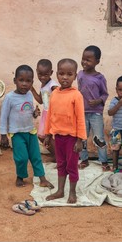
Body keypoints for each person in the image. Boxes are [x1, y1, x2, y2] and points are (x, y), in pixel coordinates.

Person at [0, 64, 54, 189]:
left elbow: (28, 111)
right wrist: (3, 134)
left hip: (30, 132)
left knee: (36, 156)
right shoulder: (9, 98)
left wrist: (34, 113)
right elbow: (3, 116)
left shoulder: (29, 95)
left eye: (28, 81)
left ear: (32, 82)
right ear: (15, 81)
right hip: (17, 133)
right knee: (21, 158)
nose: (24, 84)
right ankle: (20, 176)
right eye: (21, 80)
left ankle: (42, 178)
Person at [44, 58, 86, 204]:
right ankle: (60, 191)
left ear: (75, 76)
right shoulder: (55, 94)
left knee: (71, 165)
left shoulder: (76, 95)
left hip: (72, 139)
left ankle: (72, 192)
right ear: (56, 74)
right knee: (61, 164)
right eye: (61, 74)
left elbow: (80, 118)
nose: (65, 77)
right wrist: (48, 134)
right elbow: (50, 115)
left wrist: (80, 140)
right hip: (58, 138)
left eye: (69, 74)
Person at [77, 45, 110, 171]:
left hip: (95, 113)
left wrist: (98, 101)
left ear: (97, 62)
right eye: (83, 59)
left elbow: (105, 94)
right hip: (82, 112)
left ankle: (104, 161)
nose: (84, 62)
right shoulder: (79, 75)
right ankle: (84, 159)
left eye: (88, 60)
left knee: (99, 138)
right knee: (82, 137)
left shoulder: (100, 78)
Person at [30, 59, 59, 159]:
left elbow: (59, 93)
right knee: (42, 136)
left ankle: (58, 156)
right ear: (36, 72)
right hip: (45, 114)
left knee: (47, 135)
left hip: (52, 114)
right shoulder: (43, 85)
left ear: (51, 73)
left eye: (45, 75)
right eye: (40, 74)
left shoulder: (52, 85)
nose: (42, 77)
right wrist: (32, 89)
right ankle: (56, 155)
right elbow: (41, 101)